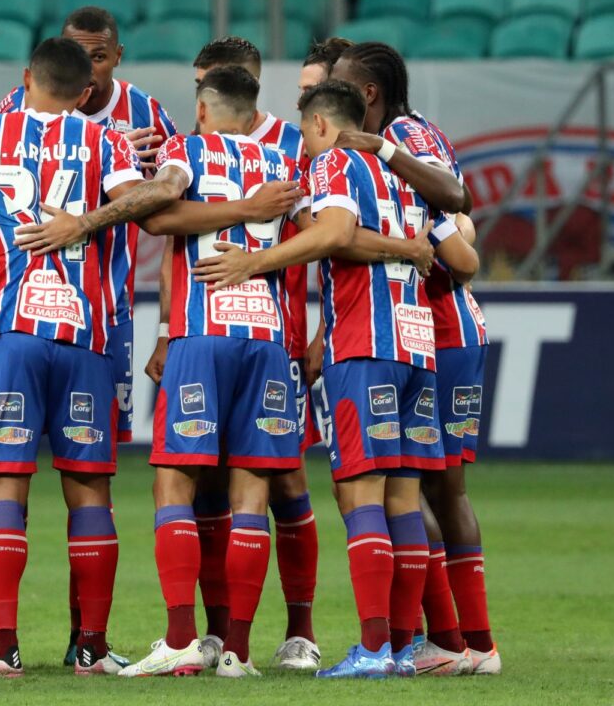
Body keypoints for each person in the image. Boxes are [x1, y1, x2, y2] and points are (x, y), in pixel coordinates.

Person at [0, 37, 192, 677]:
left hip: (9, 333)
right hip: (86, 338)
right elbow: (154, 201)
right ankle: (92, 649)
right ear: (84, 95)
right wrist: (90, 220)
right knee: (90, 492)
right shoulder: (104, 142)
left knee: (3, 488)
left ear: (24, 79)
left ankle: (2, 648)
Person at [192, 80, 479, 679]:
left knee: (360, 494)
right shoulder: (407, 175)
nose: (302, 142)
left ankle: (373, 648)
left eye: (303, 131)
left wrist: (253, 262)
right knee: (403, 497)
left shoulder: (336, 163)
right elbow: (465, 261)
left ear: (322, 125)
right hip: (417, 346)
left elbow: (333, 233)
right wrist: (407, 247)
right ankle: (403, 644)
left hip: (365, 345)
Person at [0, 5, 179, 665]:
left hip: (98, 314)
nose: (89, 71)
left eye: (99, 56)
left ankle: (79, 643)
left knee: (69, 477)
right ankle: (1, 635)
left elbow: (173, 210)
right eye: (79, 57)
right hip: (69, 319)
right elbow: (160, 203)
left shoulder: (147, 115)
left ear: (116, 58)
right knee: (63, 479)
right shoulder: (64, 123)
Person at [111, 65, 306, 678]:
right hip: (268, 339)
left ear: (201, 110)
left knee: (174, 482)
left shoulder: (187, 148)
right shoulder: (283, 163)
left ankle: (180, 640)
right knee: (252, 491)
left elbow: (159, 210)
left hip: (203, 335)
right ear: (254, 114)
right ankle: (239, 654)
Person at [329, 41, 497, 675]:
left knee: (423, 486)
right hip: (431, 330)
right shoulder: (409, 134)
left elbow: (459, 223)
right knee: (430, 487)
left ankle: (456, 642)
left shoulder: (400, 137)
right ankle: (459, 642)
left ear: (366, 93)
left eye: (344, 86)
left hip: (436, 328)